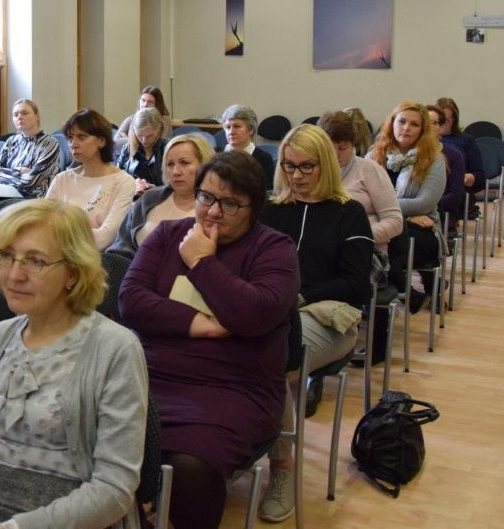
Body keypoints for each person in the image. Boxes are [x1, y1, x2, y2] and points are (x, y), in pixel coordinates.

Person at [0, 199, 148, 529]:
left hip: (71, 518)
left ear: (73, 272)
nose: (14, 274)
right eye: (7, 256)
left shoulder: (115, 349)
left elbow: (114, 490)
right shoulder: (1, 337)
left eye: (36, 261)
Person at [119, 152, 300, 529]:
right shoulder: (168, 235)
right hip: (150, 377)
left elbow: (255, 314)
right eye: (206, 197)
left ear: (254, 207)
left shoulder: (274, 249)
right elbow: (131, 300)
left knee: (190, 467)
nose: (213, 212)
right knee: (96, 437)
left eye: (230, 203)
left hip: (235, 389)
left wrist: (201, 262)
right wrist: (198, 324)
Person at [259, 124, 372, 523]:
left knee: (272, 355)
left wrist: (300, 297)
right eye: (289, 166)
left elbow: (356, 284)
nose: (297, 175)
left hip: (329, 316)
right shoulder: (272, 209)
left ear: (325, 163)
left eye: (307, 166)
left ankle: (282, 469)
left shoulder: (349, 213)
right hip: (274, 312)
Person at [319, 111, 403, 364]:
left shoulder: (369, 170)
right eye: (329, 148)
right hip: (322, 249)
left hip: (366, 252)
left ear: (353, 145)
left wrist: (356, 238)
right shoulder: (312, 171)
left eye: (342, 148)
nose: (336, 155)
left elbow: (395, 221)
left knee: (338, 280)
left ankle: (332, 351)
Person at [369, 101, 447, 311]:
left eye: (414, 124)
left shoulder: (434, 160)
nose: (406, 128)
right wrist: (406, 215)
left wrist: (389, 213)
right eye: (401, 121)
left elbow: (424, 202)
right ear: (392, 123)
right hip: (395, 223)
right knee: (367, 237)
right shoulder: (374, 155)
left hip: (422, 231)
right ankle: (396, 291)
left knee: (387, 235)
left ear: (423, 130)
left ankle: (386, 294)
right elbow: (360, 197)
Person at [108, 133, 215, 259]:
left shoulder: (215, 209)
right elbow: (120, 247)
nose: (176, 172)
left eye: (184, 163)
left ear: (205, 165)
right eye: (170, 164)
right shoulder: (150, 198)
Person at [46, 109, 135, 251]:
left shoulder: (123, 182)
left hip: (94, 259)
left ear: (101, 141)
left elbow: (104, 238)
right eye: (70, 138)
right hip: (55, 254)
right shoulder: (62, 179)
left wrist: (58, 234)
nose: (73, 144)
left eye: (81, 137)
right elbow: (43, 225)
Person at [0, 98, 59, 199]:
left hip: (36, 200)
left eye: (24, 113)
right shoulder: (11, 141)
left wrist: (5, 176)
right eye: (15, 115)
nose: (19, 117)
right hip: (7, 196)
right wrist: (20, 171)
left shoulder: (50, 143)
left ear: (37, 116)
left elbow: (31, 182)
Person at [436, 96, 484, 217]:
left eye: (446, 120)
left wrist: (466, 178)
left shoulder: (466, 140)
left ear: (454, 121)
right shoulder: (425, 141)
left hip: (456, 192)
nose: (441, 124)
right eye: (438, 120)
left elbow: (480, 177)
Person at [427, 103, 467, 225]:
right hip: (405, 213)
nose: (427, 126)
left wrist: (423, 207)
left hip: (442, 213)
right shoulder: (406, 154)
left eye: (433, 123)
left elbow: (455, 197)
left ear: (441, 127)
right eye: (423, 122)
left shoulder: (454, 155)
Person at [114, 107, 168, 198]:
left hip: (160, 199)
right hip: (131, 199)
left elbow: (177, 184)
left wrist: (156, 189)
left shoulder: (169, 148)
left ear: (159, 130)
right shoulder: (128, 148)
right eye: (140, 135)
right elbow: (117, 178)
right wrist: (132, 185)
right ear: (134, 131)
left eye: (150, 136)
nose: (144, 140)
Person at [221, 103, 274, 189]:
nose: (231, 132)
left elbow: (266, 191)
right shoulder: (215, 153)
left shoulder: (264, 159)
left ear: (251, 130)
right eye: (228, 127)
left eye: (237, 126)